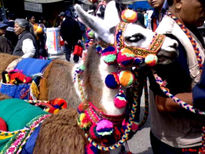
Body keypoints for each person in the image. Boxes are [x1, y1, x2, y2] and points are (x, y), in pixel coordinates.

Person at [148, 0, 205, 153]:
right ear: (179, 2)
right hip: (180, 144)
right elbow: (163, 103)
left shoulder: (189, 25)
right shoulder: (168, 39)